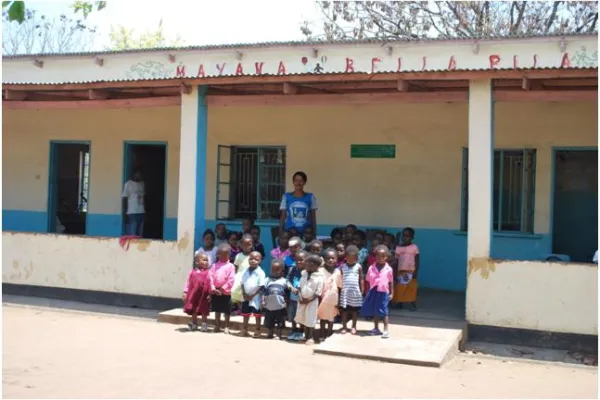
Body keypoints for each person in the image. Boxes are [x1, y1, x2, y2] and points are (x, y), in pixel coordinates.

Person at [361, 245, 394, 339]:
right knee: (375, 310)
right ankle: (376, 328)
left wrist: (392, 293)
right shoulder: (371, 268)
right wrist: (367, 292)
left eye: (383, 256)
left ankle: (386, 330)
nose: (380, 258)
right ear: (375, 257)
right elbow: (368, 280)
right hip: (373, 291)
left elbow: (391, 282)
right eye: (378, 256)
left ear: (386, 257)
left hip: (383, 292)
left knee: (384, 311)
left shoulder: (389, 269)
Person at [295, 254, 324, 345]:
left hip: (312, 301)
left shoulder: (319, 277)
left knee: (310, 318)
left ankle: (310, 337)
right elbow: (299, 287)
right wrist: (300, 297)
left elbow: (318, 292)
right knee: (303, 318)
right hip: (302, 300)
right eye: (306, 264)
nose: (306, 266)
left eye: (309, 264)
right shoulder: (303, 274)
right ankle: (305, 336)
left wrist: (308, 300)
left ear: (315, 266)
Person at [279, 171, 318, 236]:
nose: (298, 183)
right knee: (293, 232)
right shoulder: (286, 197)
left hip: (306, 231)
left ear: (304, 182)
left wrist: (314, 234)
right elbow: (283, 217)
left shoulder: (310, 197)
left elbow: (313, 218)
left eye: (301, 181)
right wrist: (280, 233)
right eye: (296, 180)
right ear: (293, 182)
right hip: (290, 231)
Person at [182, 253, 213, 332]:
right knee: (194, 309)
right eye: (204, 260)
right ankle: (194, 323)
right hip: (193, 295)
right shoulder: (192, 272)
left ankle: (204, 324)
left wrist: (211, 293)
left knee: (204, 310)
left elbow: (211, 283)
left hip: (204, 295)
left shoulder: (208, 272)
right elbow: (188, 283)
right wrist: (185, 292)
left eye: (207, 260)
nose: (206, 262)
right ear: (197, 262)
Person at [210, 243, 235, 334]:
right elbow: (211, 277)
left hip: (225, 292)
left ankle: (227, 326)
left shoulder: (231, 266)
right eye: (220, 254)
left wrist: (222, 289)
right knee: (217, 309)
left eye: (225, 254)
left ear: (229, 255)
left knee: (226, 310)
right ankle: (217, 325)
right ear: (217, 254)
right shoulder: (214, 266)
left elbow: (231, 279)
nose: (223, 256)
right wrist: (213, 289)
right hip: (216, 291)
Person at [262, 259, 291, 339]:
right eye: (273, 270)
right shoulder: (267, 280)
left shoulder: (284, 281)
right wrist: (263, 301)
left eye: (277, 270)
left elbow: (288, 292)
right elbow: (264, 292)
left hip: (280, 306)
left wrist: (287, 304)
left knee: (280, 321)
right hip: (269, 306)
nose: (274, 272)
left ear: (282, 271)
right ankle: (270, 334)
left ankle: (278, 335)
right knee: (269, 321)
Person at [339, 245, 364, 335]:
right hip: (345, 292)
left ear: (356, 258)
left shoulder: (358, 267)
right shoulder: (342, 267)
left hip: (355, 292)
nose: (351, 260)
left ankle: (354, 326)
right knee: (344, 311)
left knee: (354, 311)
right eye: (349, 258)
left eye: (353, 258)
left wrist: (362, 290)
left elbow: (361, 279)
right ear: (345, 257)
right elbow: (340, 278)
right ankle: (344, 326)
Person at [393, 227, 420, 311]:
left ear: (412, 237)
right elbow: (396, 260)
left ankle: (412, 304)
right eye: (404, 236)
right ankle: (399, 303)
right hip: (401, 271)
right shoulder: (398, 248)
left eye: (408, 236)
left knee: (411, 288)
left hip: (411, 271)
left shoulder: (414, 247)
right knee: (400, 288)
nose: (405, 238)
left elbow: (417, 260)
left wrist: (416, 271)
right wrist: (395, 271)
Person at [317, 248, 342, 339]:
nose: (330, 260)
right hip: (322, 298)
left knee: (331, 317)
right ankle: (322, 334)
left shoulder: (338, 272)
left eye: (333, 258)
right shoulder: (320, 271)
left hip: (333, 299)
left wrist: (338, 301)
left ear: (336, 259)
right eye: (328, 258)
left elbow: (339, 287)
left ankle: (329, 334)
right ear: (324, 259)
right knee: (323, 317)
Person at [240, 251, 266, 338]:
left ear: (260, 261)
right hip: (245, 296)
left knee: (257, 314)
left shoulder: (260, 272)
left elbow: (261, 285)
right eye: (251, 259)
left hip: (255, 297)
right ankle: (244, 329)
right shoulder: (245, 271)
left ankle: (257, 330)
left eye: (256, 259)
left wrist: (252, 295)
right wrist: (244, 293)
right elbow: (242, 283)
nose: (253, 261)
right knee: (245, 313)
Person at [287, 249, 307, 341]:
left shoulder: (308, 271)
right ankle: (293, 329)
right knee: (293, 315)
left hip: (303, 298)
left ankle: (301, 330)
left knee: (302, 315)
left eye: (301, 260)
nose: (298, 262)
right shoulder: (293, 269)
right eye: (297, 260)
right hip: (293, 297)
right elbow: (288, 281)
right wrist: (291, 287)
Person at [231, 234, 254, 313]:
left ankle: (248, 310)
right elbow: (236, 267)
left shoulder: (253, 255)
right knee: (238, 293)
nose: (246, 247)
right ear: (241, 245)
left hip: (250, 278)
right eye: (244, 245)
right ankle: (239, 309)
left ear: (252, 245)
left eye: (249, 245)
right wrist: (235, 277)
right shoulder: (238, 256)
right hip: (240, 278)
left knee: (248, 294)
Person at [122, 169, 145, 237]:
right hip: (132, 212)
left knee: (140, 234)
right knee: (133, 234)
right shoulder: (128, 184)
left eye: (141, 174)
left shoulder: (142, 184)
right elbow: (124, 199)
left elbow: (144, 197)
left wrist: (145, 211)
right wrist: (125, 213)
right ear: (134, 174)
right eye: (139, 174)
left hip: (141, 212)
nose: (140, 176)